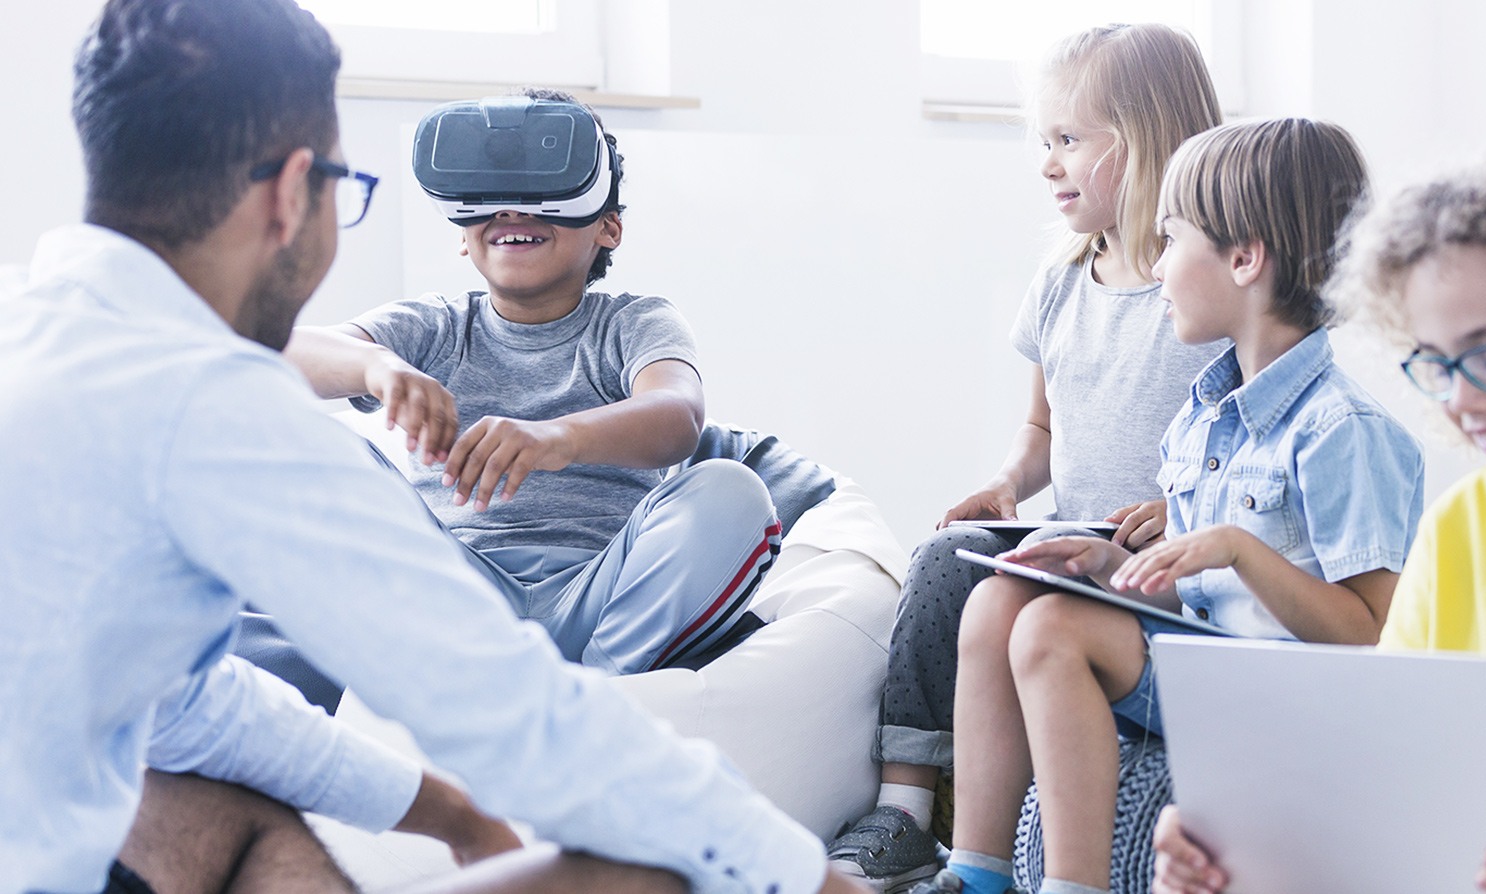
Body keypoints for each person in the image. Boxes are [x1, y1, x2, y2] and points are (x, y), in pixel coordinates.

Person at [0, 2, 861, 893]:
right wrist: (803, 877)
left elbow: (181, 703)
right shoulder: (210, 397)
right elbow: (497, 704)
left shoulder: (39, 331)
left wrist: (456, 816)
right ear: (295, 191)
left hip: (583, 587)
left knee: (233, 816)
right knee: (646, 870)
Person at [926, 118, 1424, 894]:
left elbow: (1368, 638)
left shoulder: (1342, 432)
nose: (1154, 269)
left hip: (1283, 701)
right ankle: (974, 876)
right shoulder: (1200, 416)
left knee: (1054, 629)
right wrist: (1112, 564)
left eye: (1169, 240)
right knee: (999, 600)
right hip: (1198, 664)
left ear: (1243, 257)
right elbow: (1194, 595)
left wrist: (1240, 549)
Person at [1152, 136, 1486, 894]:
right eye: (1437, 364)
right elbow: (1380, 768)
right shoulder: (1463, 526)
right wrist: (1241, 835)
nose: (1462, 402)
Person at [827, 25, 1224, 892]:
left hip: (1165, 556)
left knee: (1016, 608)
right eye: (1042, 141)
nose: (1047, 163)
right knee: (943, 566)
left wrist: (1178, 511)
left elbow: (1242, 451)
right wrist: (1007, 485)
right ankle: (919, 820)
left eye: (1069, 140)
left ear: (1148, 138)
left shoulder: (1205, 292)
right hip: (1073, 537)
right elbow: (1043, 430)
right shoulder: (1060, 277)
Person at [279, 87, 777, 677]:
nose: (512, 213)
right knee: (319, 447)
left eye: (545, 193)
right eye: (488, 203)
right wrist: (377, 367)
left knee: (731, 489)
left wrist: (556, 438)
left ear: (608, 228)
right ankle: (473, 673)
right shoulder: (438, 325)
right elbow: (279, 354)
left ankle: (596, 691)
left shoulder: (633, 322)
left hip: (602, 591)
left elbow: (678, 415)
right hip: (456, 590)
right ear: (462, 236)